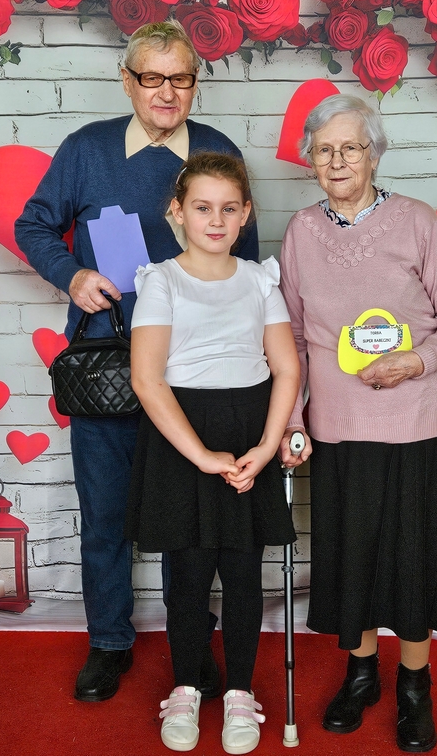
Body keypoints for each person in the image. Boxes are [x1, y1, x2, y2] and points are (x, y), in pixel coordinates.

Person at [15, 21, 257, 704]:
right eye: (152, 77)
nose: (166, 92)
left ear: (194, 84)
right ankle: (109, 642)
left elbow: (247, 263)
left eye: (180, 78)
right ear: (127, 81)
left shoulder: (218, 150)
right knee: (106, 516)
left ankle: (192, 644)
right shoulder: (86, 149)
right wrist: (71, 275)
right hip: (107, 367)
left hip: (197, 370)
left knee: (190, 522)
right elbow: (33, 223)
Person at [277, 94, 437, 753]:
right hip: (338, 429)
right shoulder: (299, 232)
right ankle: (362, 674)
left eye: (351, 147)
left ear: (374, 154)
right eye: (324, 150)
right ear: (311, 161)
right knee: (351, 557)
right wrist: (291, 418)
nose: (338, 160)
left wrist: (414, 361)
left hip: (417, 424)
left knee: (413, 559)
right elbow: (292, 339)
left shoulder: (417, 221)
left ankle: (415, 685)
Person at [126, 152, 299, 754]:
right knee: (189, 576)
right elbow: (147, 379)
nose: (216, 220)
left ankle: (240, 692)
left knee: (245, 574)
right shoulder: (161, 281)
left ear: (246, 213)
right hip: (182, 436)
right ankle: (186, 687)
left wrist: (268, 445)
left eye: (229, 209)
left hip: (250, 430)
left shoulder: (259, 280)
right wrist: (200, 455)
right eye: (203, 208)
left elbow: (286, 368)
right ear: (178, 212)